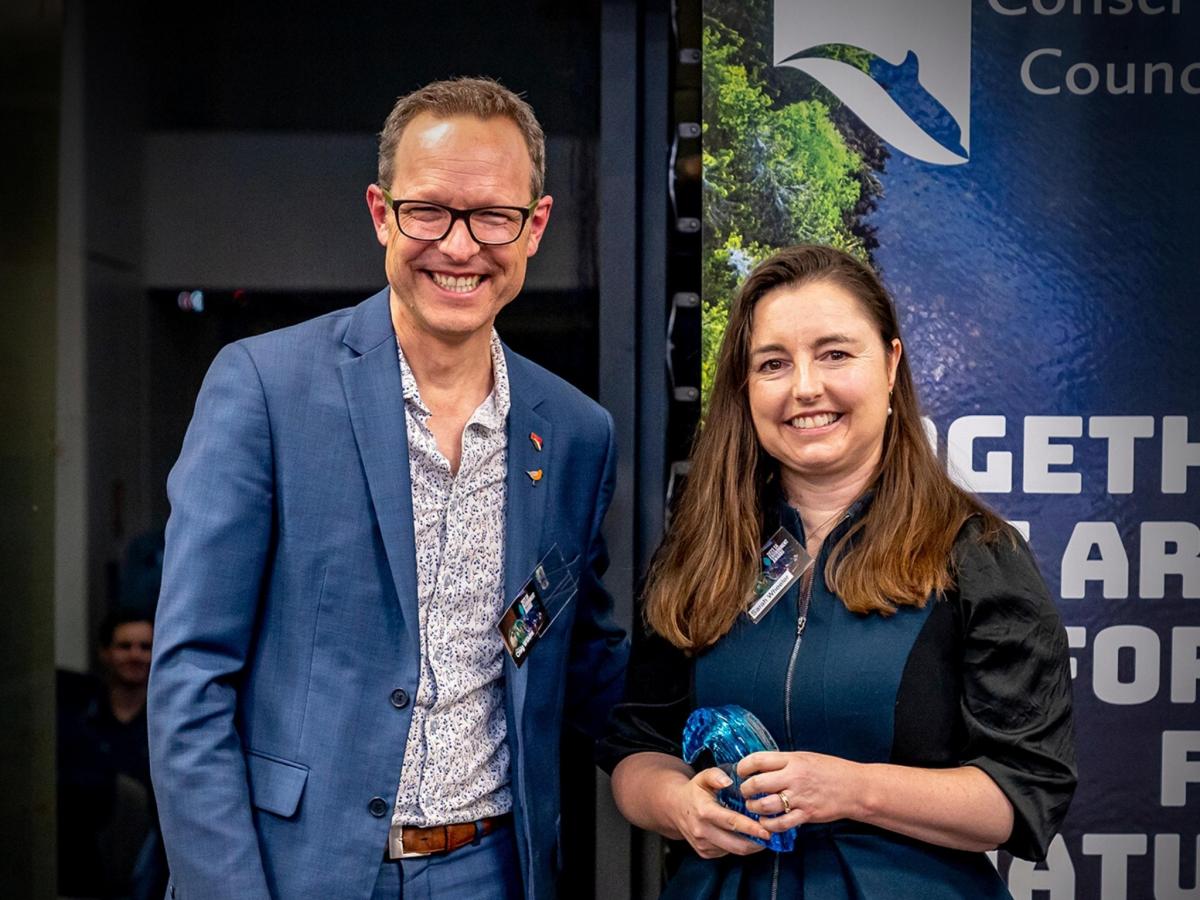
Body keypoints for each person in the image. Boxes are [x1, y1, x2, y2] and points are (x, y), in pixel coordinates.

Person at [149, 76, 628, 900]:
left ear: (535, 227)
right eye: (429, 211)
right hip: (298, 873)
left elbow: (584, 661)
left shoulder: (577, 432)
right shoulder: (265, 388)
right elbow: (191, 678)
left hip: (493, 871)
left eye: (493, 217)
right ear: (381, 213)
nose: (459, 245)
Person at [599, 245, 1076, 898]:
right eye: (773, 363)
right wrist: (677, 804)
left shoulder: (977, 557)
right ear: (745, 387)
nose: (804, 388)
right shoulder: (701, 550)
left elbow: (1023, 793)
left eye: (834, 354)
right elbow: (637, 750)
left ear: (891, 363)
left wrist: (851, 789)